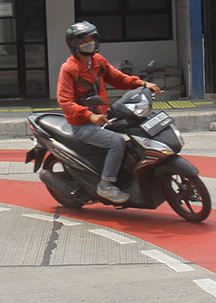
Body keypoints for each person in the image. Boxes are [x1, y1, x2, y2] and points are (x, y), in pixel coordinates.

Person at [57, 20, 161, 203]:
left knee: (137, 128)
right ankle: (105, 185)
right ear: (75, 45)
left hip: (105, 118)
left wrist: (142, 83)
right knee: (116, 143)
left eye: (92, 39)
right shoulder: (69, 69)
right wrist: (89, 115)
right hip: (83, 125)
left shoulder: (98, 61)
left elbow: (118, 79)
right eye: (84, 41)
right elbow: (65, 101)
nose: (89, 43)